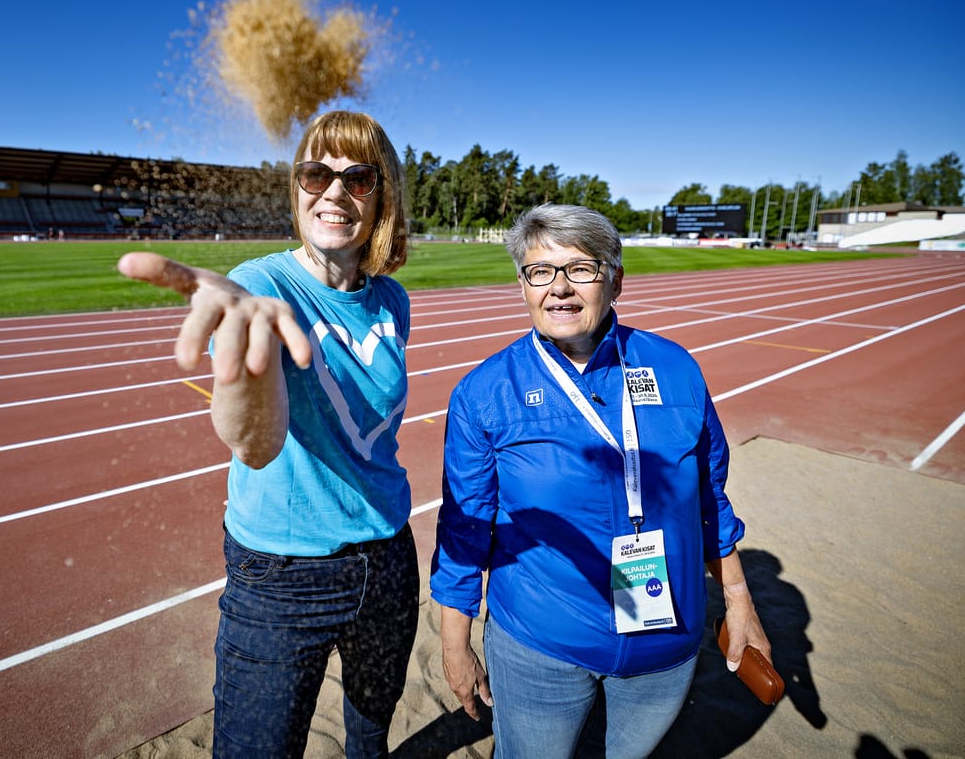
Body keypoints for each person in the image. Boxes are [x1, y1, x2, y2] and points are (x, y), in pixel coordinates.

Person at [117, 110, 418, 759]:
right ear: (297, 189)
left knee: (371, 731)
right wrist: (244, 365)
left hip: (389, 556)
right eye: (316, 174)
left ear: (382, 195)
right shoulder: (262, 287)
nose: (333, 192)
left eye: (357, 178)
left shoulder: (392, 301)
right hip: (282, 580)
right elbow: (253, 444)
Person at [430, 203, 772, 758]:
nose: (559, 288)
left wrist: (738, 597)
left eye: (581, 268)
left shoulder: (676, 367)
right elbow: (464, 530)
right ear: (523, 285)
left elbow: (709, 496)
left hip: (665, 640)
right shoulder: (485, 392)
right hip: (541, 646)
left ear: (615, 279)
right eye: (540, 272)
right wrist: (455, 644)